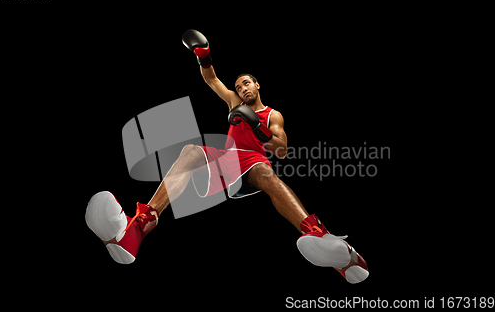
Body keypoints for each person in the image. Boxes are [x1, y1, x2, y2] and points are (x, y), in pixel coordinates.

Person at [85, 29, 369, 283]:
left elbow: (281, 148)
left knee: (267, 175)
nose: (242, 89)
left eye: (247, 83)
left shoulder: (273, 114)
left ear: (258, 85)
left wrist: (259, 128)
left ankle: (325, 240)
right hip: (227, 159)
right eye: (239, 86)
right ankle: (138, 227)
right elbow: (211, 79)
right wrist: (204, 56)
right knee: (191, 152)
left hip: (253, 162)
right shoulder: (233, 101)